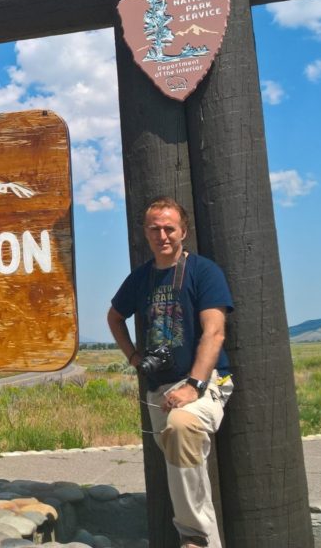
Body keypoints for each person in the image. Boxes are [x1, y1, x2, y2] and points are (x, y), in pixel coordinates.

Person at [106, 197, 234, 548]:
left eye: (169, 228)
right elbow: (115, 317)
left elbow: (215, 331)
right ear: (145, 233)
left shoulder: (203, 272)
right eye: (154, 228)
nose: (162, 235)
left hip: (204, 383)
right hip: (159, 388)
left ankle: (195, 538)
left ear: (183, 231)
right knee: (181, 462)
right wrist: (133, 356)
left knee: (183, 427)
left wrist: (194, 384)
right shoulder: (141, 278)